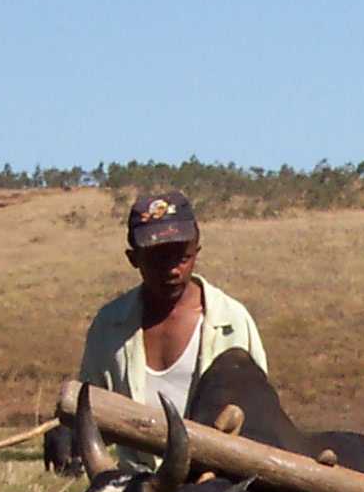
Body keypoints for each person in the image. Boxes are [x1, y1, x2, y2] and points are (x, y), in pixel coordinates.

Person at [45, 188, 267, 472]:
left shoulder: (234, 323)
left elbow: (261, 418)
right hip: (136, 487)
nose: (172, 270)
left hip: (215, 487)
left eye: (182, 258)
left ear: (196, 251)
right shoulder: (109, 327)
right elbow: (92, 413)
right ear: (133, 259)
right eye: (158, 260)